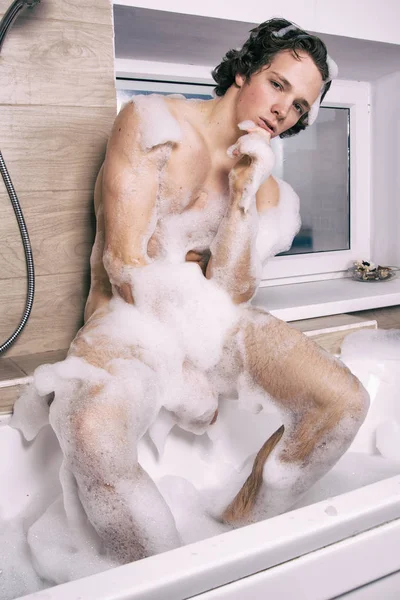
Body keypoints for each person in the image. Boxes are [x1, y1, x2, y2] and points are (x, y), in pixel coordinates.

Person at [47, 18, 369, 563]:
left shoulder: (267, 187)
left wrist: (243, 195)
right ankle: (165, 578)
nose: (282, 110)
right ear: (244, 70)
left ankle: (236, 535)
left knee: (344, 403)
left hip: (205, 322)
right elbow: (123, 261)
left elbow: (230, 294)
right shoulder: (153, 123)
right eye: (278, 84)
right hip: (126, 323)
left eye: (298, 108)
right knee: (91, 430)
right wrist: (185, 368)